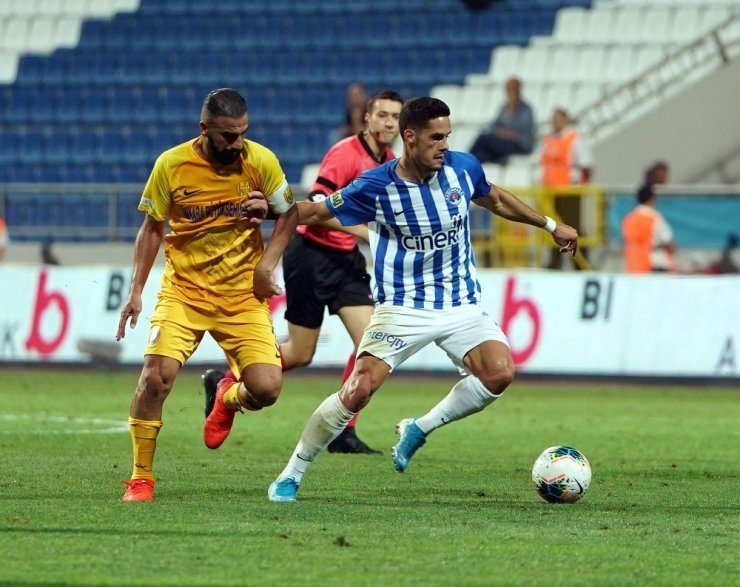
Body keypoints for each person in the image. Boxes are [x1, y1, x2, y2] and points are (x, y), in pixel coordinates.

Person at [267, 97, 578, 502]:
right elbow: (316, 211)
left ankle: (419, 428)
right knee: (358, 390)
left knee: (499, 372)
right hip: (402, 307)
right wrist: (271, 208)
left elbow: (495, 198)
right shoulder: (377, 186)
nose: (444, 145)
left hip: (460, 303)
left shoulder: (462, 169)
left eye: (448, 136)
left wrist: (551, 225)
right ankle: (292, 473)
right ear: (409, 138)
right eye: (436, 137)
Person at [115, 88, 298, 502]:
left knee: (267, 389)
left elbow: (291, 212)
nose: (237, 143)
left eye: (242, 134)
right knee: (155, 379)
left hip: (241, 294)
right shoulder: (172, 164)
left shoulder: (260, 160)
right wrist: (136, 290)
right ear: (204, 129)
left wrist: (266, 263)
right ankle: (141, 478)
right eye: (228, 136)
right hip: (185, 292)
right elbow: (152, 227)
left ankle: (226, 397)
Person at [203, 89, 405, 455]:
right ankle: (227, 380)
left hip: (346, 263)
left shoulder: (391, 162)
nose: (389, 122)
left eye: (395, 117)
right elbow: (314, 205)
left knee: (371, 347)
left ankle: (342, 430)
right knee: (299, 354)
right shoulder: (345, 154)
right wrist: (365, 232)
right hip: (311, 255)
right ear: (367, 119)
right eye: (383, 115)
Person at [539, 107, 593, 269]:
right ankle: (555, 262)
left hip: (569, 191)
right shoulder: (549, 140)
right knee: (553, 227)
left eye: (558, 119)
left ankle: (579, 262)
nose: (555, 123)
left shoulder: (575, 139)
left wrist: (578, 185)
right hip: (551, 191)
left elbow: (587, 165)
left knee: (572, 226)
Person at [469, 77, 535, 164]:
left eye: (512, 90)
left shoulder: (525, 109)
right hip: (503, 142)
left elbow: (520, 134)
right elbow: (494, 125)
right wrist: (503, 133)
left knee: (484, 140)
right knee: (483, 152)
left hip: (519, 145)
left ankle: (468, 162)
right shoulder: (504, 107)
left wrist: (503, 133)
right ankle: (472, 163)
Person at [621, 184, 675, 273]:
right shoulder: (655, 218)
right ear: (652, 198)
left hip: (634, 267)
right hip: (654, 265)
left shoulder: (628, 219)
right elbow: (670, 245)